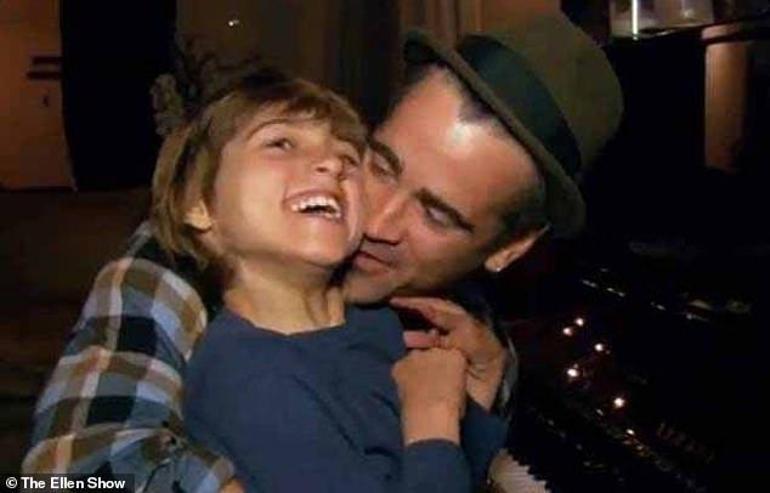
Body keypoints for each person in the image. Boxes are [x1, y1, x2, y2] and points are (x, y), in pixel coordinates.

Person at [24, 12, 622, 492]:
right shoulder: (190, 250)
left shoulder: (453, 318)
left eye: (436, 215)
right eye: (380, 165)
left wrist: (487, 387)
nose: (377, 222)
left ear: (507, 250)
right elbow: (63, 477)